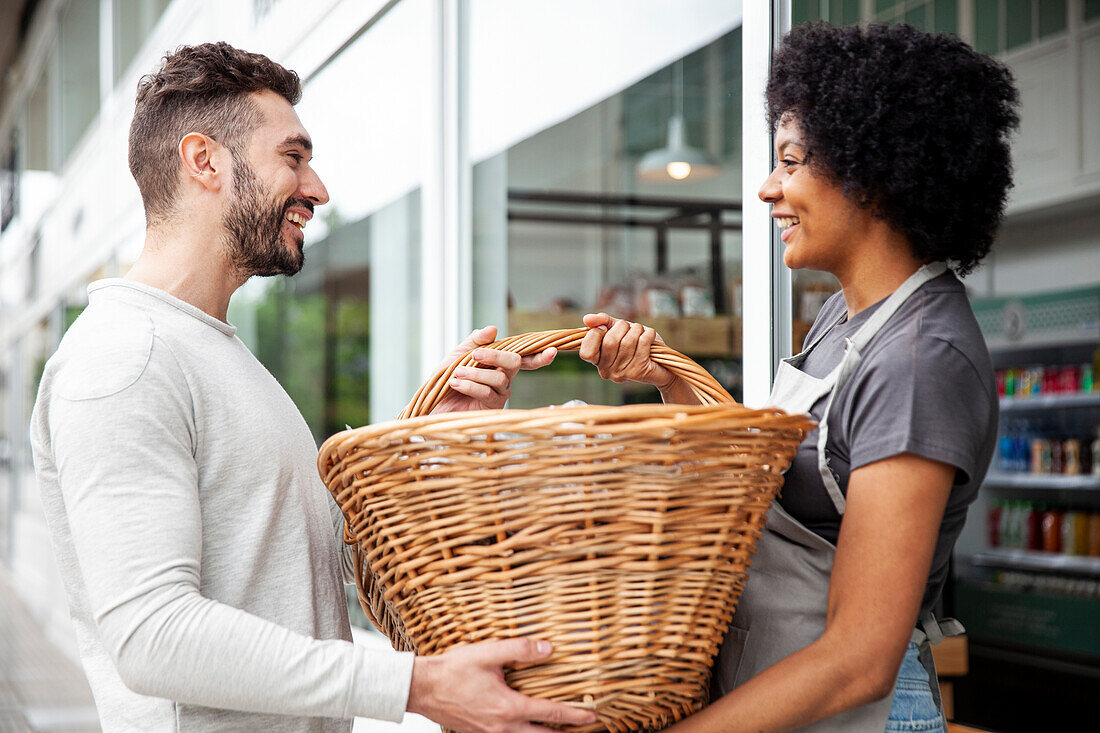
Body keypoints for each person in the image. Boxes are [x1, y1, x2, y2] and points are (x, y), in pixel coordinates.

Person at [29, 42, 591, 733]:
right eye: (293, 157)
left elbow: (294, 563)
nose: (318, 188)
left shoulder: (210, 349)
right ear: (204, 160)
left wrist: (430, 439)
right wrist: (417, 685)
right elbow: (153, 633)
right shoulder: (125, 356)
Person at [579, 23, 1018, 733]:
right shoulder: (847, 324)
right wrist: (666, 374)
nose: (767, 188)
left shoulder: (918, 359)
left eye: (790, 161)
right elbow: (769, 485)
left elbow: (859, 657)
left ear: (871, 168)